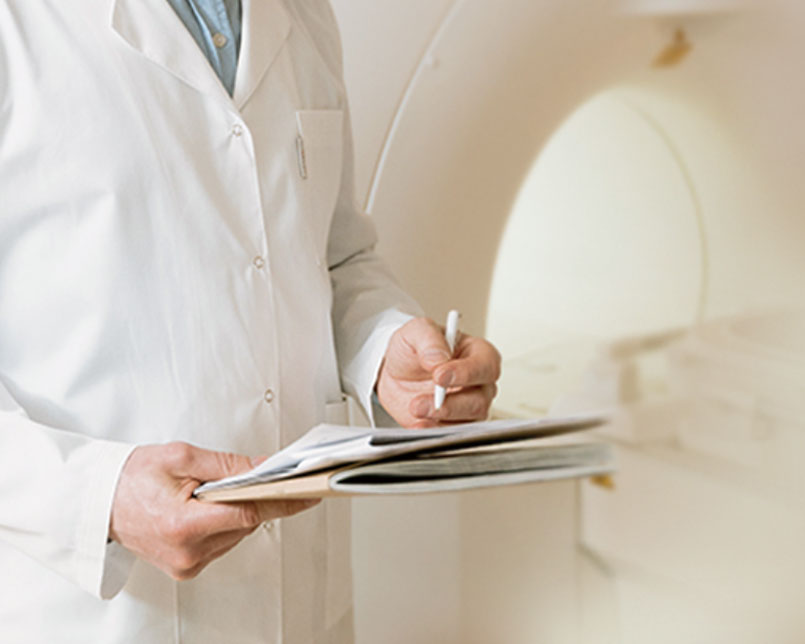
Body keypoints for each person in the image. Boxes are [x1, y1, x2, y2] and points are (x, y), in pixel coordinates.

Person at [0, 0, 501, 641]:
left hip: (300, 596)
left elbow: (334, 254)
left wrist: (385, 348)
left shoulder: (304, 15)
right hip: (98, 611)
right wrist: (100, 498)